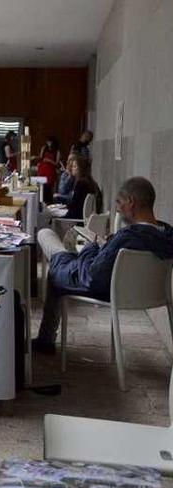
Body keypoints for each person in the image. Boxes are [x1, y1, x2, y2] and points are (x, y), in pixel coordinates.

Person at [33, 177, 173, 354]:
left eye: (119, 202)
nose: (117, 209)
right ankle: (46, 339)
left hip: (106, 287)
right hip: (150, 294)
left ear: (131, 202)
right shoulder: (166, 236)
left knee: (46, 237)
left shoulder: (127, 237)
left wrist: (90, 248)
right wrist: (105, 246)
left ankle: (45, 340)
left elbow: (92, 277)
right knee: (59, 255)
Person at [36, 137, 61, 201]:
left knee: (48, 187)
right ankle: (41, 201)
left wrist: (50, 161)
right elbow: (41, 157)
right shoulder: (44, 148)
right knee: (41, 186)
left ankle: (48, 201)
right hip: (42, 169)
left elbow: (57, 164)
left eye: (50, 142)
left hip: (50, 170)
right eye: (47, 142)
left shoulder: (57, 151)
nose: (48, 143)